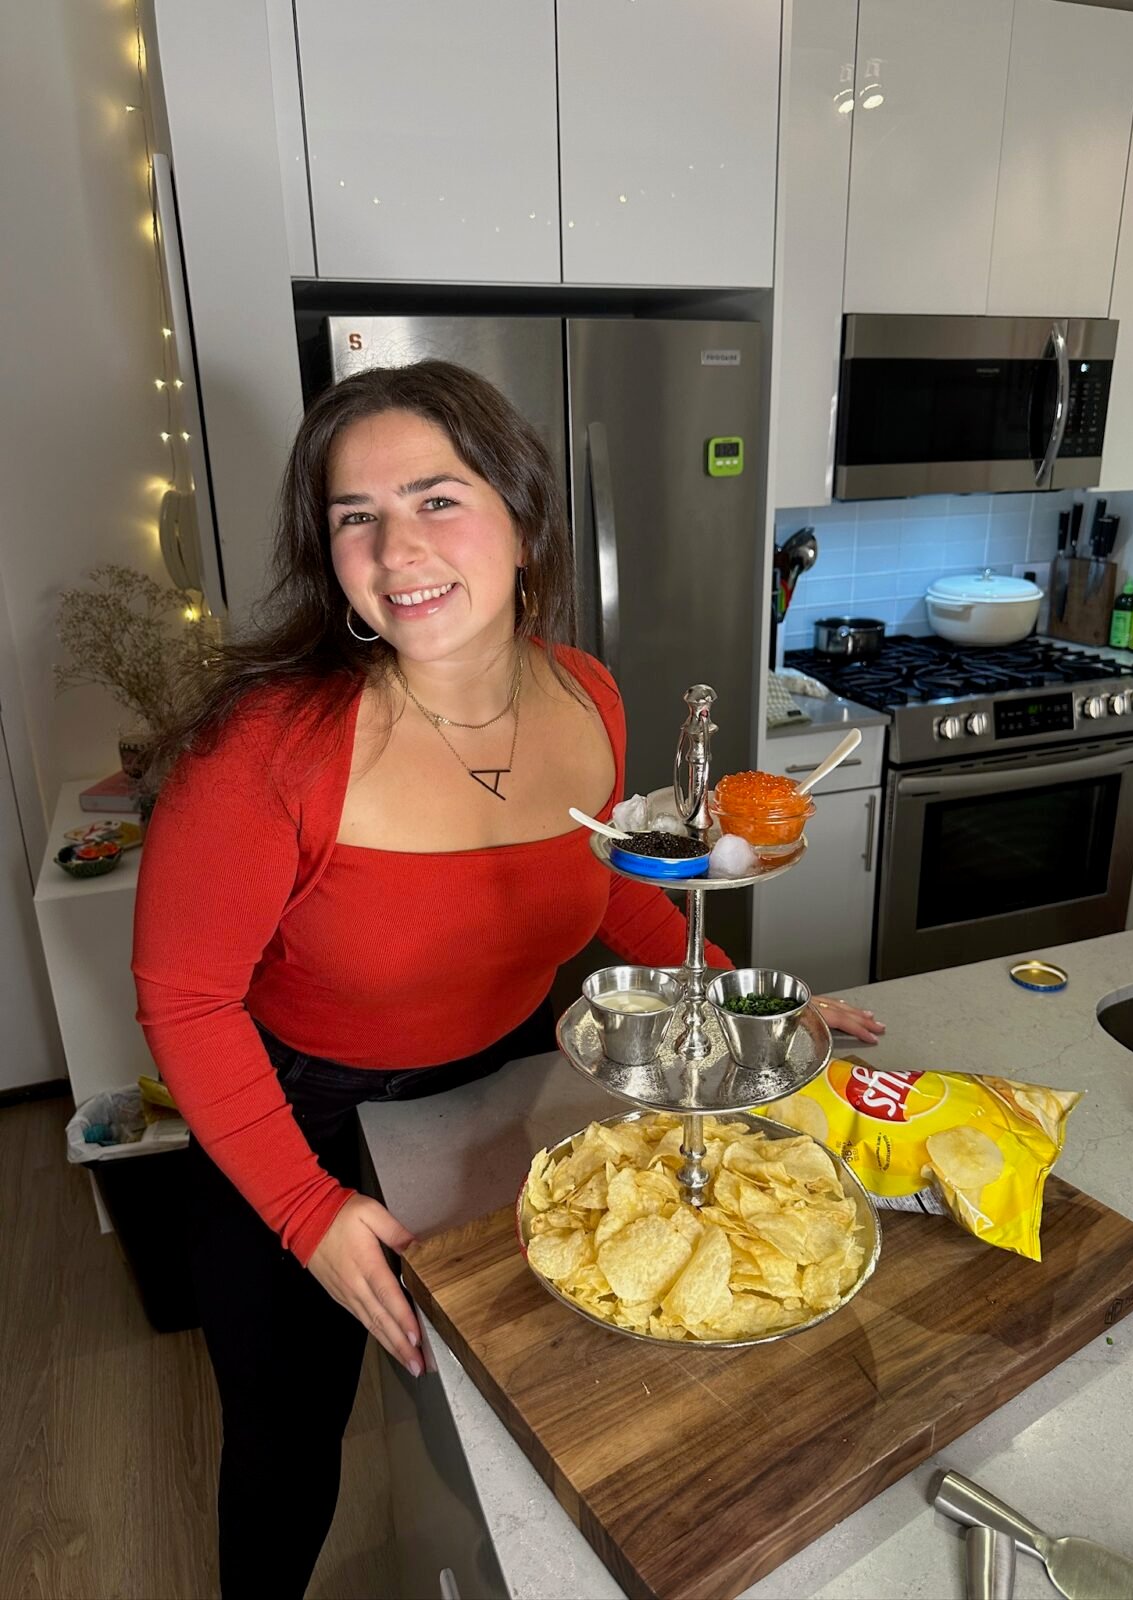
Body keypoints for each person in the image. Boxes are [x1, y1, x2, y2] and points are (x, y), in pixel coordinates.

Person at [132, 359, 884, 1597]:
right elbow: (186, 999)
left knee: (507, 1410)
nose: (394, 546)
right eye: (354, 517)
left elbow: (616, 888)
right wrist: (307, 1212)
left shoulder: (584, 694)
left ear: (525, 520)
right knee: (286, 1444)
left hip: (501, 1094)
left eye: (437, 497)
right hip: (288, 1116)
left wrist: (752, 1004)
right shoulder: (265, 748)